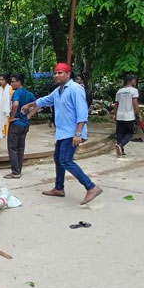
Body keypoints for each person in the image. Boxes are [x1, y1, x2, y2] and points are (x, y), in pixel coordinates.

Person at [20, 63, 103, 205]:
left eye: (60, 73)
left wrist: (78, 133)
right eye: (55, 73)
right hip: (63, 133)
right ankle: (59, 188)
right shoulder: (59, 91)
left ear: (68, 74)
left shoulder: (75, 89)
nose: (56, 75)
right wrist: (29, 105)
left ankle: (91, 187)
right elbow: (44, 100)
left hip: (72, 132)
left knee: (65, 160)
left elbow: (82, 112)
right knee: (58, 158)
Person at [5, 73, 36, 179]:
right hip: (25, 125)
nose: (11, 83)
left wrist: (12, 117)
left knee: (12, 148)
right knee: (21, 148)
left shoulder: (17, 92)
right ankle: (19, 170)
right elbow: (37, 104)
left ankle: (15, 172)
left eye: (13, 81)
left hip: (16, 124)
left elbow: (15, 104)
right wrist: (29, 116)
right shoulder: (29, 93)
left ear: (19, 82)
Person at [111, 74, 141, 157]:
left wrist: (114, 114)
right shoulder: (134, 91)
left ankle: (121, 150)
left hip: (120, 115)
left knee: (120, 133)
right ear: (129, 81)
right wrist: (138, 114)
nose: (134, 81)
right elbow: (135, 103)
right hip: (129, 116)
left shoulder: (119, 91)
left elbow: (116, 104)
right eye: (133, 80)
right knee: (130, 133)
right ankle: (120, 145)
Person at [0, 74, 13, 155]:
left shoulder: (11, 89)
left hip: (7, 113)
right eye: (0, 80)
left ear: (6, 80)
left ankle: (10, 148)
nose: (0, 81)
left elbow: (11, 102)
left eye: (2, 80)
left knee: (8, 131)